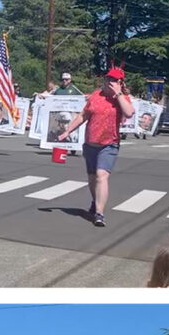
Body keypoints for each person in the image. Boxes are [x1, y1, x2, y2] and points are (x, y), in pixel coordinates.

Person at [65, 66, 135, 226]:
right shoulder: (96, 96)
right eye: (108, 79)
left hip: (109, 144)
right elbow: (84, 115)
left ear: (120, 82)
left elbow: (129, 112)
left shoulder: (122, 98)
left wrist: (118, 94)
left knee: (101, 175)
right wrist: (68, 130)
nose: (109, 82)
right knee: (92, 178)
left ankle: (99, 213)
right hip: (90, 143)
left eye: (114, 80)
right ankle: (96, 201)